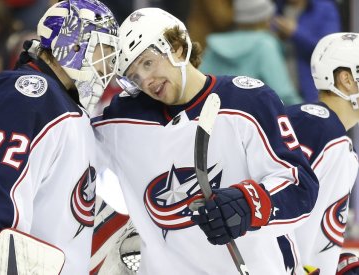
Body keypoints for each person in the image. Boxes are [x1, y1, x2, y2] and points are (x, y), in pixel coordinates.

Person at [93, 7, 319, 274]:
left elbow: (300, 186)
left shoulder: (248, 101)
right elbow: (67, 153)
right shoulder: (122, 120)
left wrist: (248, 203)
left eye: (147, 63)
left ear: (176, 47)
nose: (146, 81)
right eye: (134, 77)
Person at [0, 0, 119, 274]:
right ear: (74, 44)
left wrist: (114, 231)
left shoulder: (65, 108)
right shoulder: (27, 95)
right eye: (104, 51)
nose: (106, 67)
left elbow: (64, 206)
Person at [281, 33, 359, 275]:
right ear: (347, 79)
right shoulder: (316, 128)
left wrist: (340, 263)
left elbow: (316, 229)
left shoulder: (334, 138)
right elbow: (273, 211)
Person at [201, 0, 301, 105]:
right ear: (266, 18)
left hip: (213, 117)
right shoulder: (265, 45)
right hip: (252, 118)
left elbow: (200, 85)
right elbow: (284, 94)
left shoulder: (214, 46)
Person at [272, 0, 341, 103]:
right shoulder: (275, 9)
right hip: (281, 90)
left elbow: (330, 49)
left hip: (311, 91)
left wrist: (295, 33)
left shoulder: (324, 9)